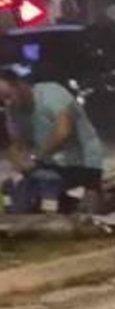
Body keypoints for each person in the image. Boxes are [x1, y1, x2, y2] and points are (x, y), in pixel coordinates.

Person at [0, 69, 105, 211]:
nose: (7, 104)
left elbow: (63, 131)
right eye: (1, 102)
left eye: (8, 96)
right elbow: (17, 144)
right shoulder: (13, 111)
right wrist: (18, 163)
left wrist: (36, 157)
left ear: (19, 85)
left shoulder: (51, 93)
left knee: (44, 186)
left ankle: (91, 193)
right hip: (50, 166)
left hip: (83, 163)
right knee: (17, 191)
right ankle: (65, 204)